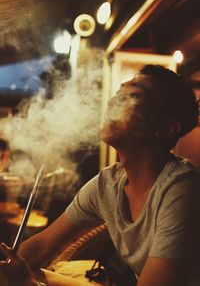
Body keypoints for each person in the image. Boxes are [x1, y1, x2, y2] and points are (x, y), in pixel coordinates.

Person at [0, 64, 200, 286]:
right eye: (117, 94)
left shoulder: (182, 189)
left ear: (165, 129)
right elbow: (40, 247)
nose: (112, 102)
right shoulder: (107, 185)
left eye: (133, 94)